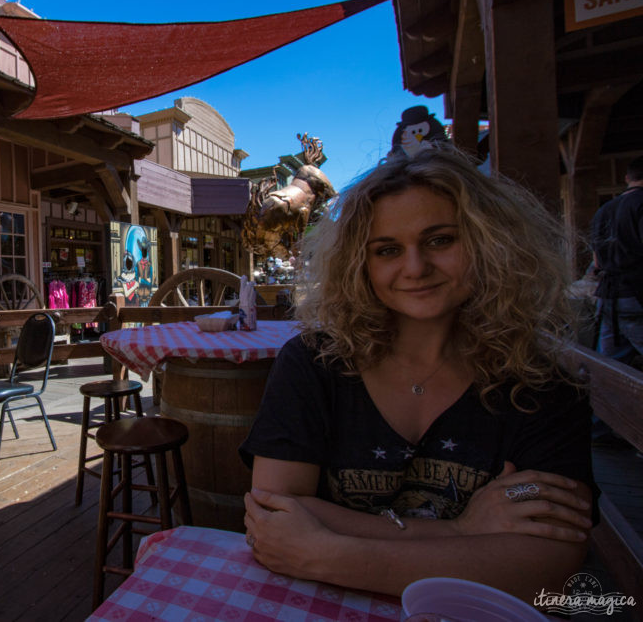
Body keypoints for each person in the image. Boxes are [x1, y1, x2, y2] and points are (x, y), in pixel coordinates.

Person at [240, 144, 597, 601]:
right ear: (359, 265)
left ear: (488, 242)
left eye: (440, 240)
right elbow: (274, 515)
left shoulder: (539, 382)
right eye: (387, 250)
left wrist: (326, 552)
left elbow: (551, 570)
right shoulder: (314, 362)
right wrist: (466, 533)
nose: (415, 268)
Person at [590, 156, 643, 367]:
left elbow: (597, 262)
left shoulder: (604, 210)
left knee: (611, 368)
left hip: (608, 298)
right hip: (637, 294)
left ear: (627, 178)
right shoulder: (641, 205)